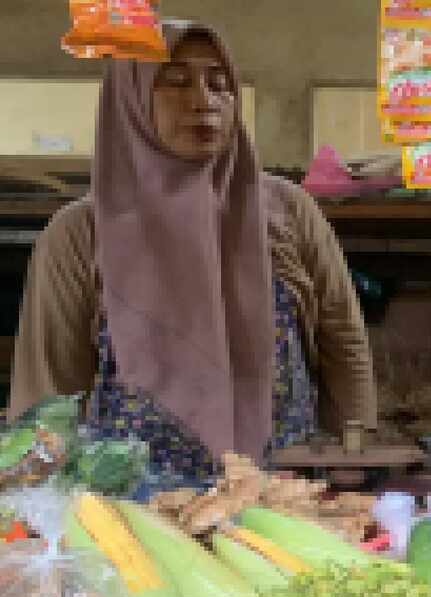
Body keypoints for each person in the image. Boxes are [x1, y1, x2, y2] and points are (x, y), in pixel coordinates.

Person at [9, 20, 376, 480]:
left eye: (219, 84)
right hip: (130, 513)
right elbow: (51, 389)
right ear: (131, 102)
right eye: (175, 82)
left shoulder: (288, 212)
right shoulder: (80, 233)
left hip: (281, 502)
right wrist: (43, 501)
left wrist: (353, 459)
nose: (203, 100)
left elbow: (343, 341)